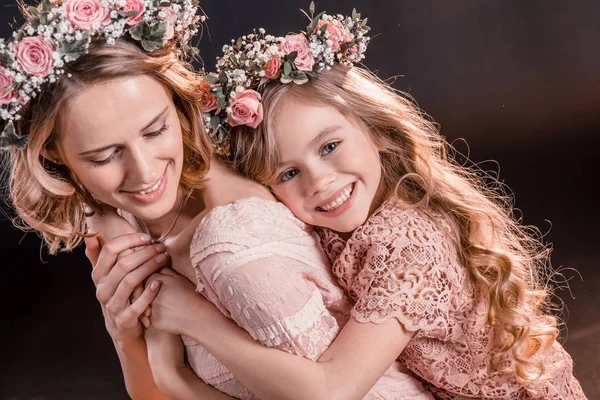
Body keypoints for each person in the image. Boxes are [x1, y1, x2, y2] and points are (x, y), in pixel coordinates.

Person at [142, 6, 588, 400]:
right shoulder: (346, 221)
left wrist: (195, 321)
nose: (320, 181)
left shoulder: (407, 246)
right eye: (289, 173)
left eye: (330, 146)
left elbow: (332, 392)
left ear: (374, 130)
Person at [1, 1, 431, 399]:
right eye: (105, 156)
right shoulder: (116, 221)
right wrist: (126, 334)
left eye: (155, 131)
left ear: (177, 101)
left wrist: (178, 369)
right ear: (53, 153)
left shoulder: (236, 238)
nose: (146, 172)